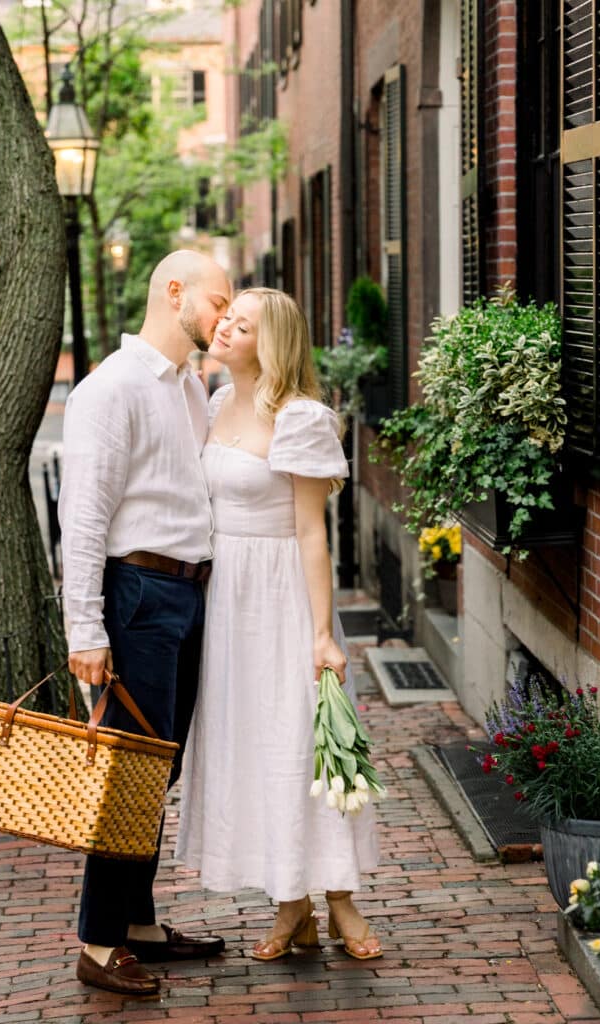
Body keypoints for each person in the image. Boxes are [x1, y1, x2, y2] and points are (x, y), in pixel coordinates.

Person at [176, 288, 381, 961]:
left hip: (283, 593)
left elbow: (310, 533)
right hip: (227, 598)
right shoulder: (211, 403)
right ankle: (289, 904)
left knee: (302, 742)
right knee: (252, 745)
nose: (224, 329)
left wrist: (322, 634)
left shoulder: (300, 418)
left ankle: (340, 897)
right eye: (225, 319)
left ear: (272, 344)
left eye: (242, 325)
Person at [58, 250, 232, 995]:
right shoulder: (112, 389)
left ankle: (137, 924)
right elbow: (84, 519)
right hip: (137, 595)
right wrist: (85, 631)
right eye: (218, 302)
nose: (224, 317)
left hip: (187, 596)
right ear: (174, 292)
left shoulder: (188, 388)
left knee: (156, 771)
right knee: (131, 774)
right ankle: (98, 945)